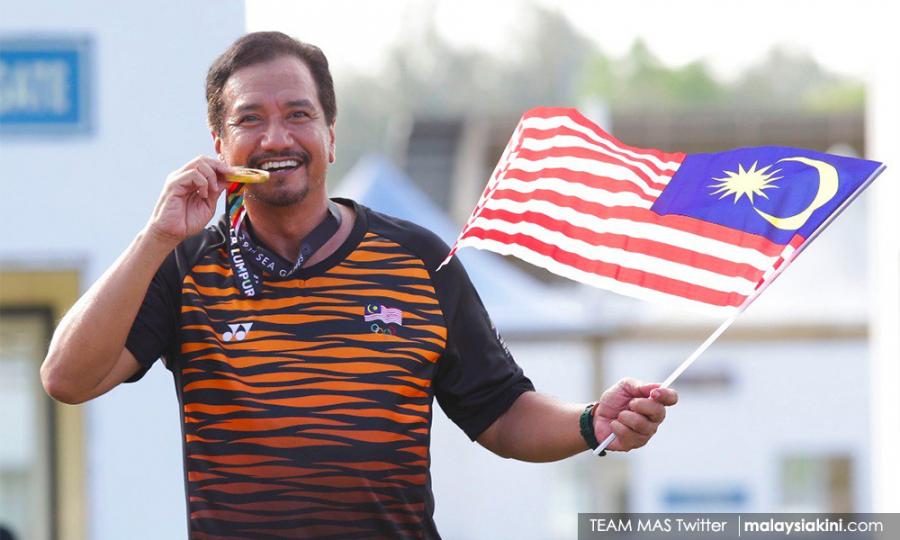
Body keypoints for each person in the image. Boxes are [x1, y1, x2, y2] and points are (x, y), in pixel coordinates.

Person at [41, 31, 678, 539]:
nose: (276, 138)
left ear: (330, 135)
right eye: (250, 120)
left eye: (298, 115)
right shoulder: (184, 264)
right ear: (219, 143)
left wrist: (591, 420)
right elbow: (66, 380)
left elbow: (502, 413)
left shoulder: (419, 258)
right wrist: (156, 236)